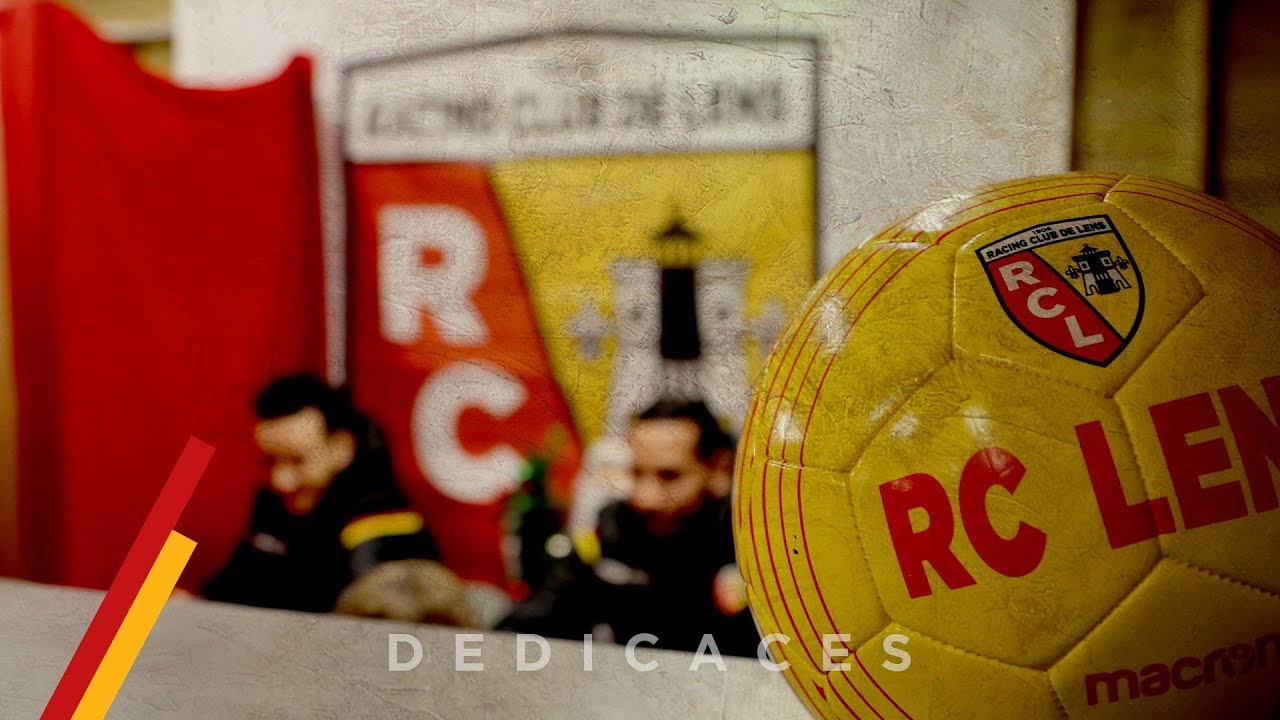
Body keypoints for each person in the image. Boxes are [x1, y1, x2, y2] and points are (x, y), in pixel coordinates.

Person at [499, 399, 760, 657]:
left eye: (669, 476)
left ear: (719, 471)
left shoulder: (754, 552)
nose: (644, 497)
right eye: (636, 473)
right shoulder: (607, 534)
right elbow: (528, 623)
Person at [203, 374, 463, 621]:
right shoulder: (274, 503)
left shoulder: (378, 517)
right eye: (270, 462)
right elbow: (235, 584)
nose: (281, 480)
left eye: (297, 461)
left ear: (341, 449)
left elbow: (368, 625)